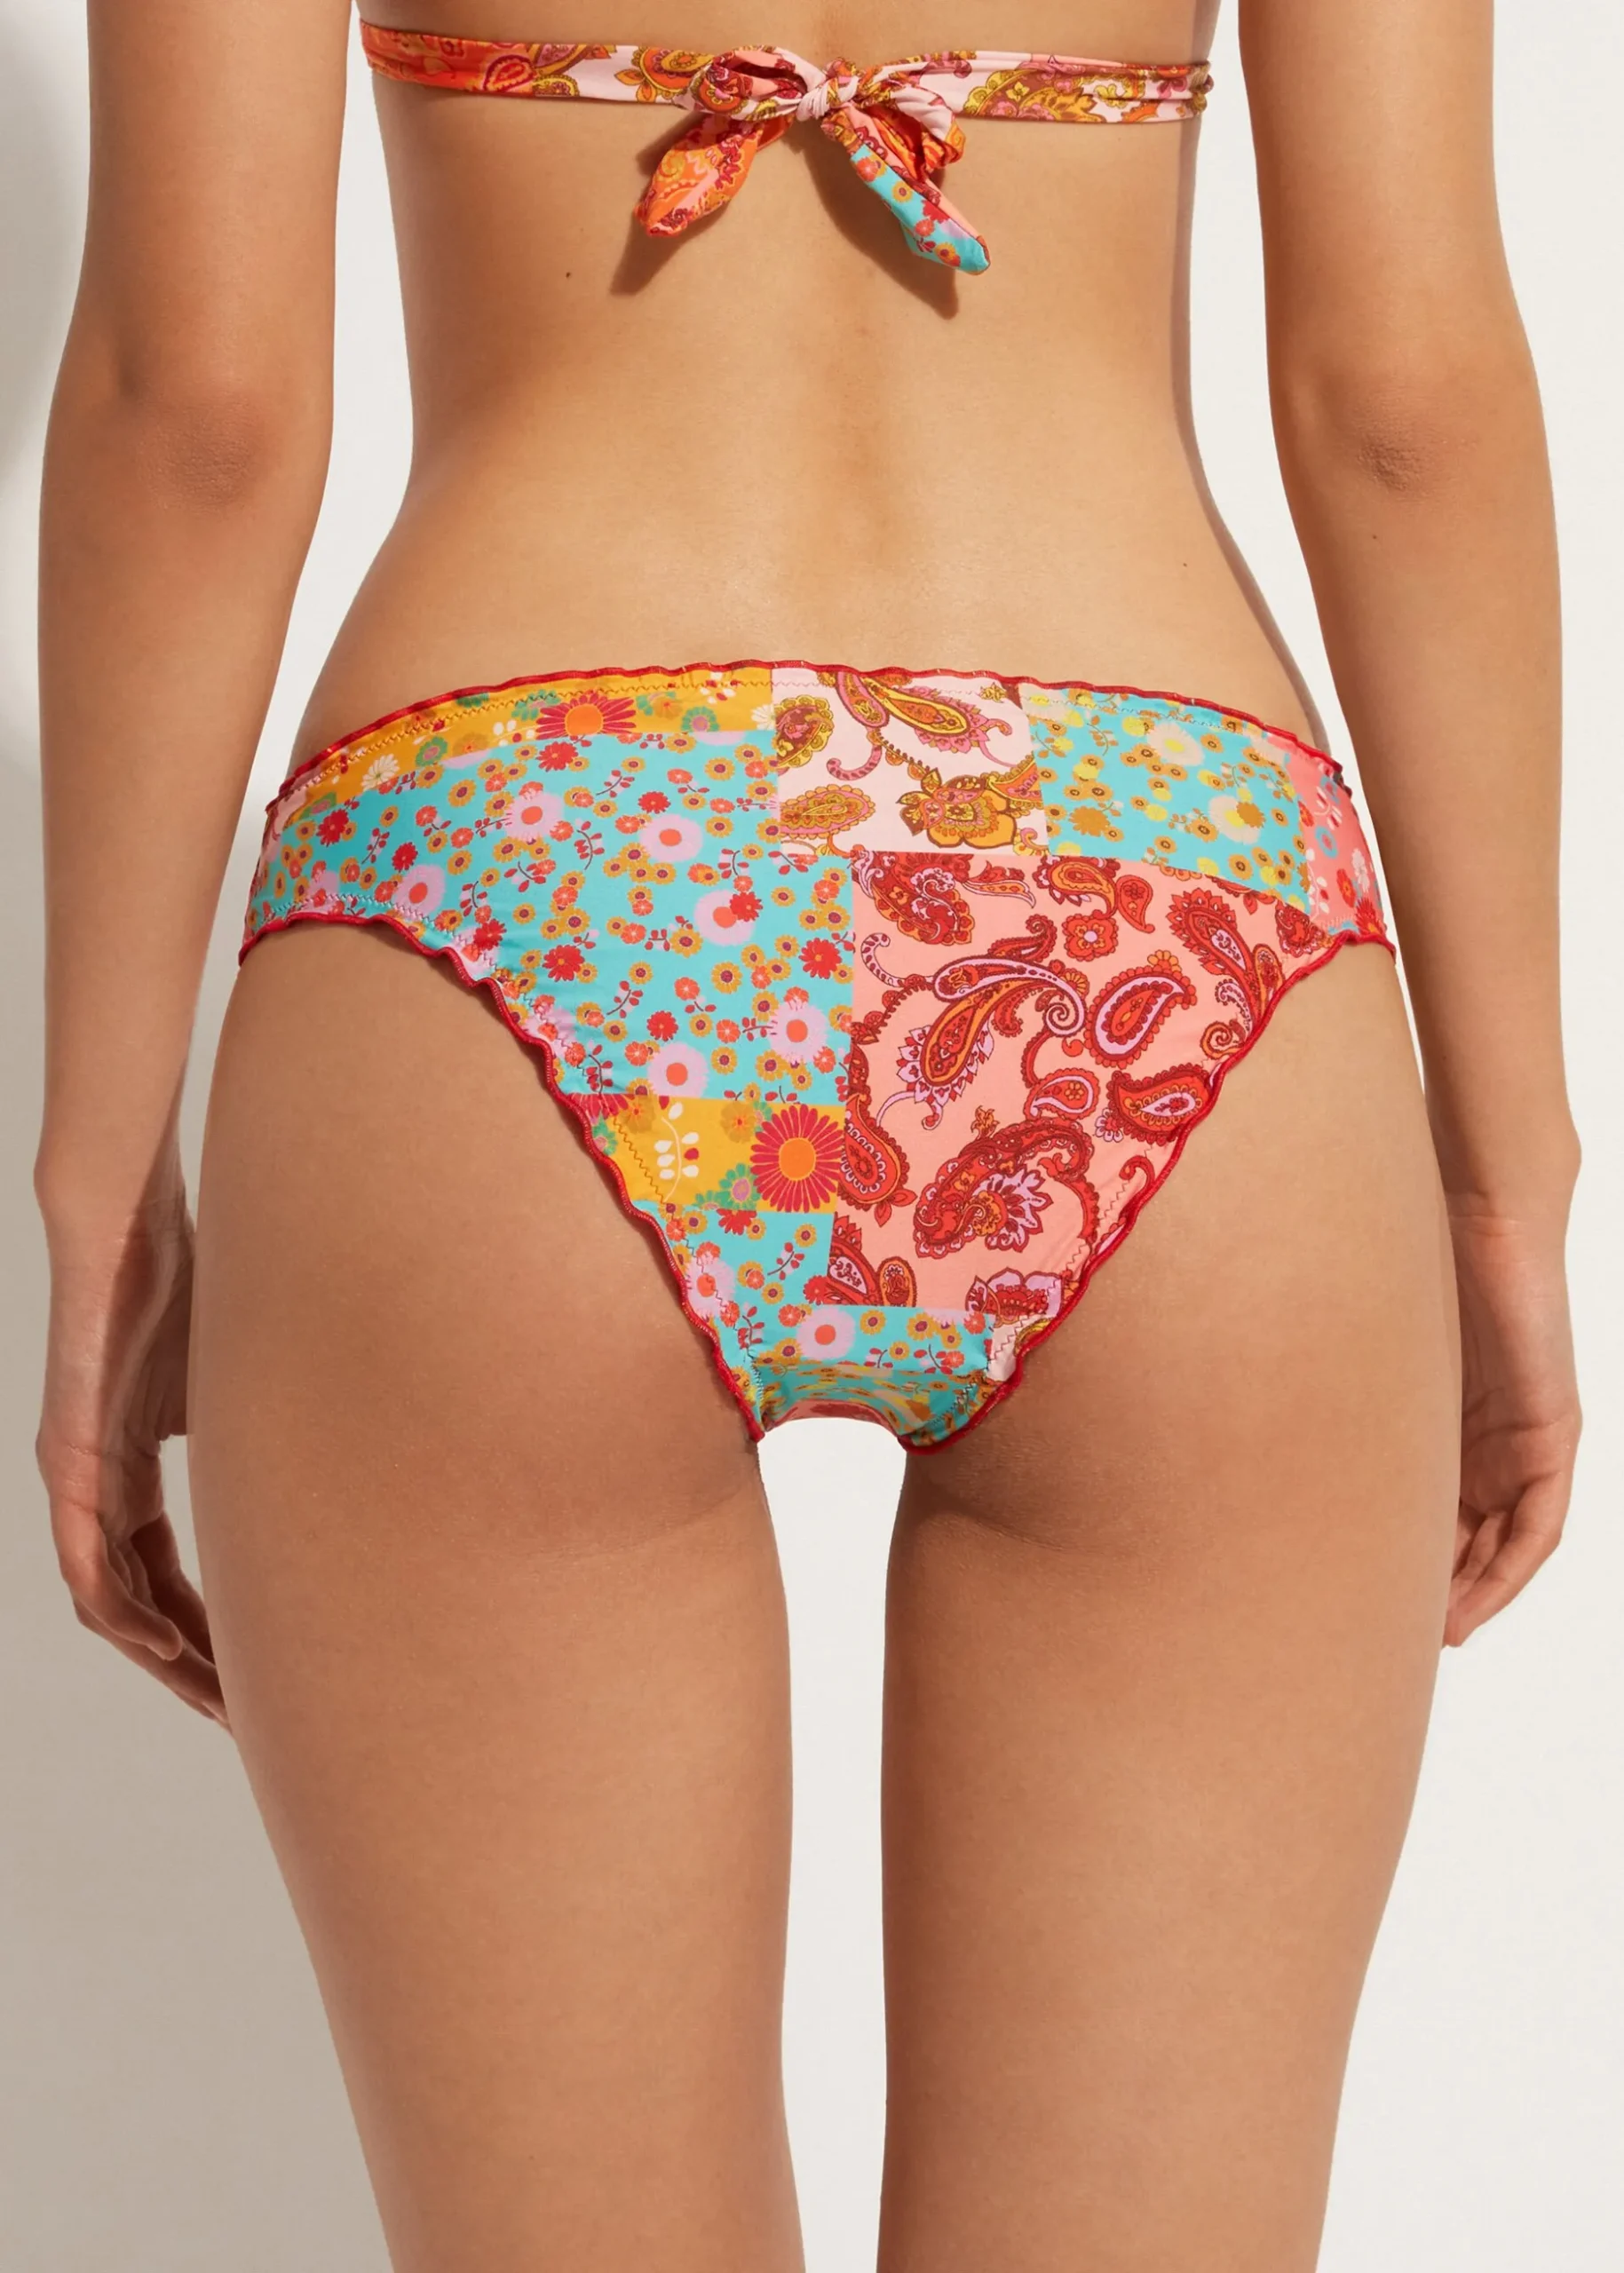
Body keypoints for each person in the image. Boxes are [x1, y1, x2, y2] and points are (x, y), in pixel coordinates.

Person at [34, 3, 1581, 2266]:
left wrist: (99, 1184)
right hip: (1167, 891)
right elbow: (1401, 394)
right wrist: (1504, 1170)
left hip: (520, 871)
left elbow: (200, 407)